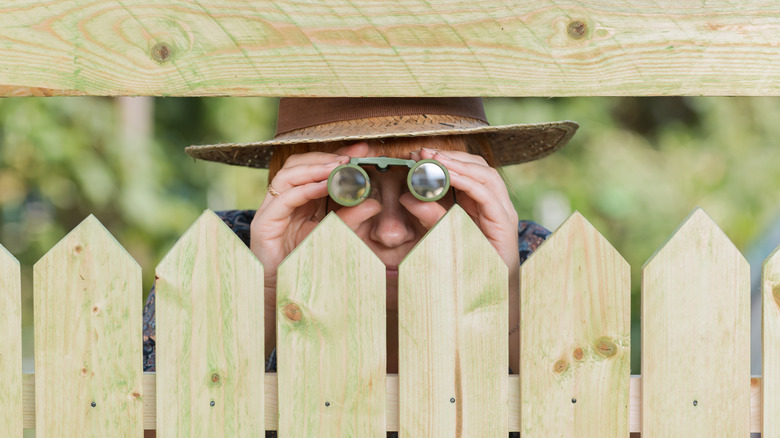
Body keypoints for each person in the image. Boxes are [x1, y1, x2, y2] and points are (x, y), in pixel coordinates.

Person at [142, 97, 576, 435]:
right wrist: (266, 289)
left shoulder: (532, 258)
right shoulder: (226, 253)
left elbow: (591, 415)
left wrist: (505, 295)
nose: (390, 232)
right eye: (350, 184)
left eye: (426, 184)